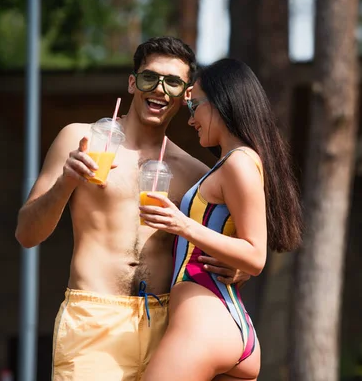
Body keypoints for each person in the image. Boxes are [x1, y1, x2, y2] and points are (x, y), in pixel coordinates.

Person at [14, 37, 249, 380]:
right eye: (149, 77)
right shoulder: (80, 140)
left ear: (186, 94)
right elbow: (26, 234)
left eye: (172, 82)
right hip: (94, 320)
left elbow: (237, 247)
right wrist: (66, 182)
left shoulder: (196, 174)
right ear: (132, 82)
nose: (159, 89)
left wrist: (238, 270)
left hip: (169, 325)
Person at [140, 58, 303, 381]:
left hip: (203, 327)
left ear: (221, 103)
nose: (191, 120)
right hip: (228, 327)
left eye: (195, 106)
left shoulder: (239, 164)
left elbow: (255, 255)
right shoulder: (235, 163)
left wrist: (182, 224)